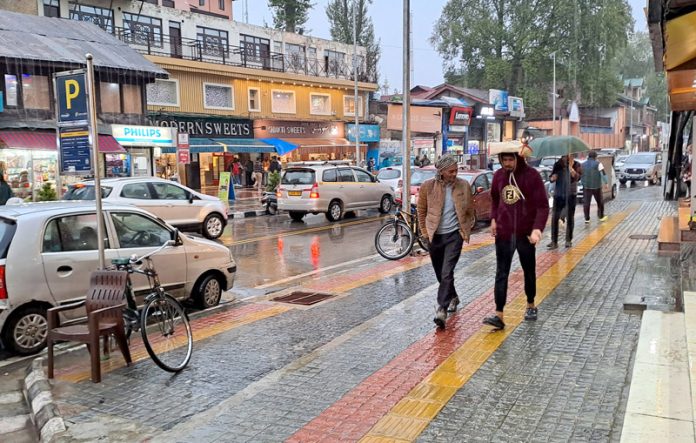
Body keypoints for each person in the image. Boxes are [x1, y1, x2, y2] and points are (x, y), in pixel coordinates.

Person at [483, 149, 549, 330]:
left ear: (518, 158)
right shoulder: (498, 175)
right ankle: (499, 314)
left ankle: (530, 304)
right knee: (501, 273)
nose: (507, 164)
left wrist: (537, 229)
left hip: (525, 233)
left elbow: (543, 206)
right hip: (504, 234)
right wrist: (494, 218)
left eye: (510, 159)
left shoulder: (532, 176)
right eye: (503, 160)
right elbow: (495, 200)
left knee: (529, 270)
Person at [416, 155, 475, 329]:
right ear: (441, 172)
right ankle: (453, 297)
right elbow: (421, 211)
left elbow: (470, 209)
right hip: (435, 236)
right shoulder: (428, 186)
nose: (454, 174)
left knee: (447, 271)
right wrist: (425, 233)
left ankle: (441, 309)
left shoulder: (463, 185)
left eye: (456, 170)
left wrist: (465, 229)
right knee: (440, 274)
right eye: (451, 171)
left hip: (454, 235)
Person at [548, 154, 582, 249]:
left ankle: (568, 240)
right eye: (564, 156)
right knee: (554, 218)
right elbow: (551, 178)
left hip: (571, 194)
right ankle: (554, 241)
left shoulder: (576, 164)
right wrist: (552, 178)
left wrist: (571, 170)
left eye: (567, 156)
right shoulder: (557, 164)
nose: (565, 158)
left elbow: (578, 177)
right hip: (558, 194)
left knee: (570, 218)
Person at [581, 150, 608, 223]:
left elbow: (581, 175)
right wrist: (606, 183)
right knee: (600, 202)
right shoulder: (598, 164)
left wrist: (583, 183)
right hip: (597, 187)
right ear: (595, 157)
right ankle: (601, 216)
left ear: (588, 156)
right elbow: (603, 173)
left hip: (586, 187)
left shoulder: (582, 164)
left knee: (586, 203)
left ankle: (587, 219)